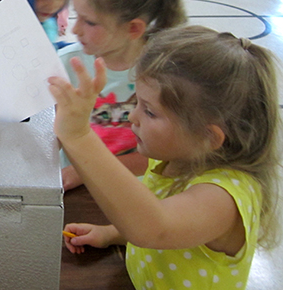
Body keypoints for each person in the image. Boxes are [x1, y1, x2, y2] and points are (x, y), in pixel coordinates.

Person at [51, 25, 281, 290]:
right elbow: (149, 216)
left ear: (208, 137)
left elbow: (154, 227)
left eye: (149, 112)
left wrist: (79, 136)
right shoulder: (170, 159)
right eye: (137, 102)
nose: (132, 117)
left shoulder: (223, 198)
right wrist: (111, 233)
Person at [59, 0, 189, 191]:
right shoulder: (67, 64)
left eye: (90, 22)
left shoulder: (167, 75)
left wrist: (87, 171)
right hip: (78, 190)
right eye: (77, 15)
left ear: (133, 29)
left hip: (137, 193)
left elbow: (163, 156)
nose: (75, 30)